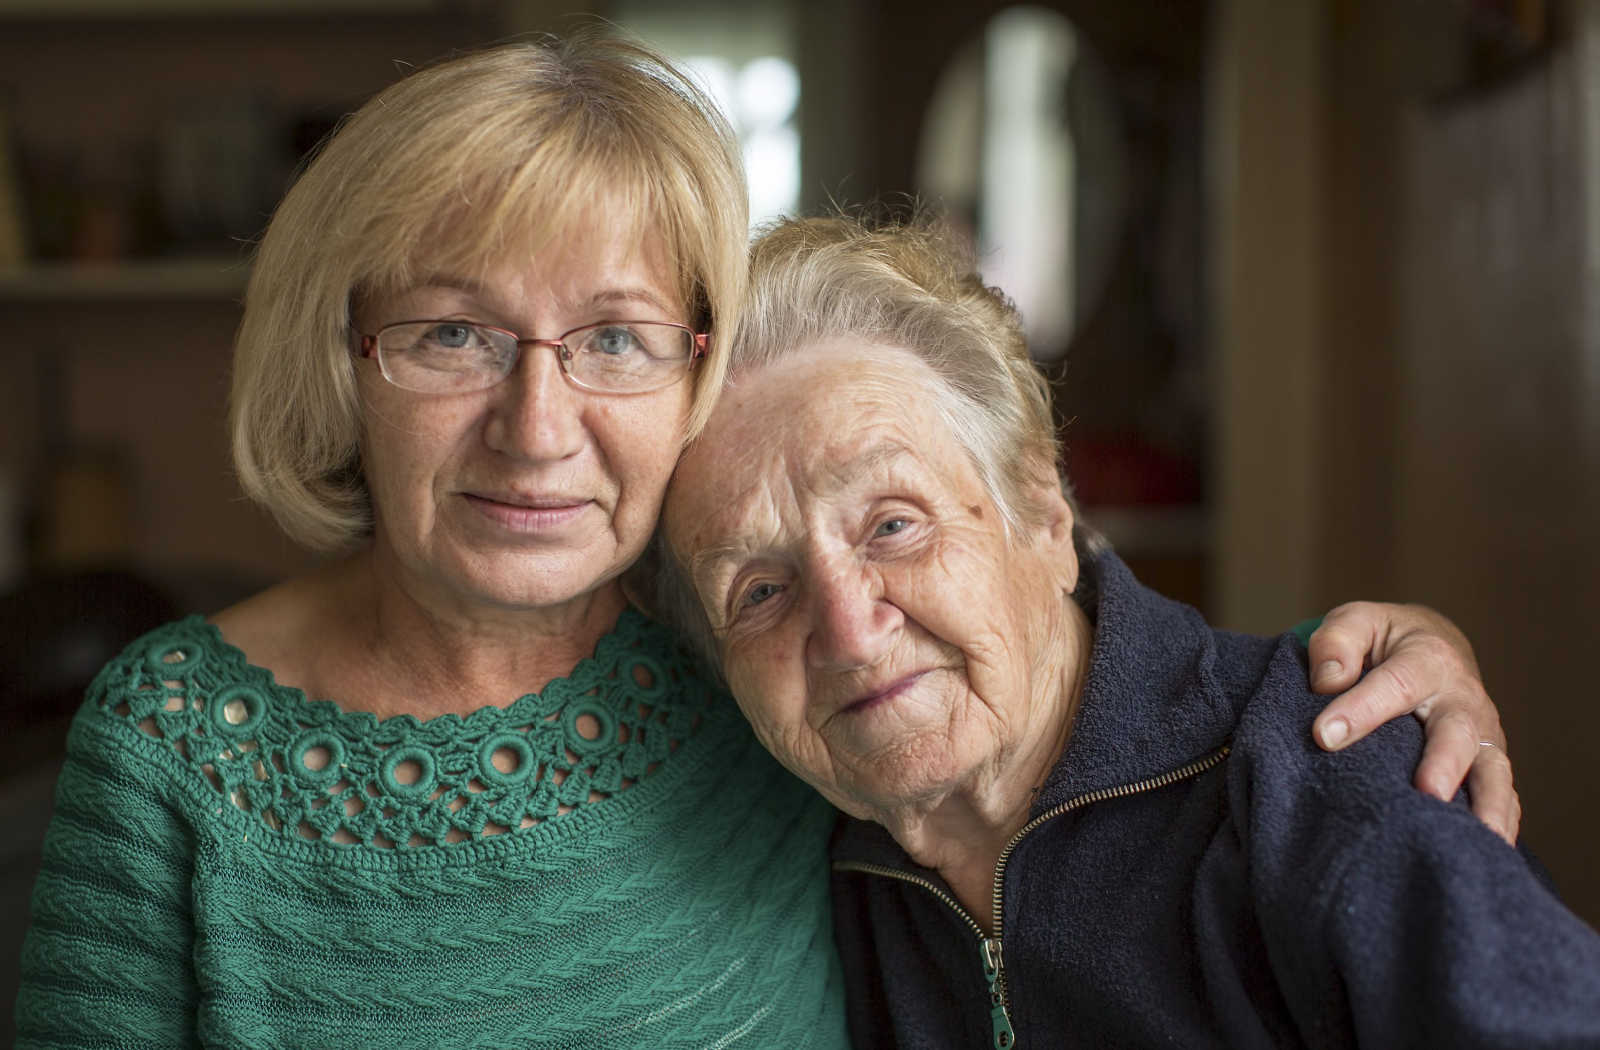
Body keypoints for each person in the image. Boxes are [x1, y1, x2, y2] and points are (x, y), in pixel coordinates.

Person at [15, 37, 1512, 1049]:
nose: (537, 427)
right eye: (451, 332)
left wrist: (1372, 697)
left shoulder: (752, 675)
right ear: (343, 360)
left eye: (613, 338)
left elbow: (1051, 705)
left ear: (690, 385)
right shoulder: (171, 755)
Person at [656, 215, 1600, 1048]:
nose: (852, 634)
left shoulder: (1324, 777)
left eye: (894, 524)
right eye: (762, 592)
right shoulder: (785, 870)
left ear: (1045, 515)